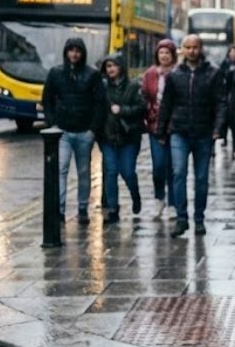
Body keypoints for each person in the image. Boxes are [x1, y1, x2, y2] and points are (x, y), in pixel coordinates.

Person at [157, 34, 228, 238]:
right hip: (179, 131)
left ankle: (198, 219)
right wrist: (161, 131)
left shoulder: (213, 73)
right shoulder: (175, 74)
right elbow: (166, 105)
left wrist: (218, 128)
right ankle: (181, 218)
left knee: (201, 177)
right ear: (182, 50)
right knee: (178, 173)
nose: (191, 51)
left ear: (200, 48)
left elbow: (221, 102)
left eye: (195, 47)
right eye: (187, 47)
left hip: (204, 132)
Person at [41, 38, 105, 226]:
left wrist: (93, 129)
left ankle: (82, 208)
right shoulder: (56, 73)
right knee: (61, 170)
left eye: (78, 51)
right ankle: (59, 211)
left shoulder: (92, 74)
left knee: (84, 172)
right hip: (63, 132)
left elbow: (100, 103)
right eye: (71, 50)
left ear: (82, 53)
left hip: (84, 131)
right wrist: (52, 123)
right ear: (66, 52)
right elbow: (47, 99)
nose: (74, 54)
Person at [96, 53, 144, 223]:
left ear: (121, 67)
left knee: (128, 171)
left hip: (128, 137)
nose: (111, 69)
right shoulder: (101, 87)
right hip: (108, 137)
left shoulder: (133, 86)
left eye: (113, 65)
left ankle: (135, 195)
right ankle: (113, 208)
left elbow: (141, 107)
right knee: (110, 172)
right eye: (108, 66)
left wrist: (122, 110)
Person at [141, 39, 178, 218]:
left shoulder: (178, 73)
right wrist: (148, 113)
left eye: (167, 53)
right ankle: (158, 198)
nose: (164, 56)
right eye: (161, 53)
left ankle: (173, 202)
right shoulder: (150, 74)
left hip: (175, 127)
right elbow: (145, 96)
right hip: (155, 126)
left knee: (173, 166)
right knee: (159, 165)